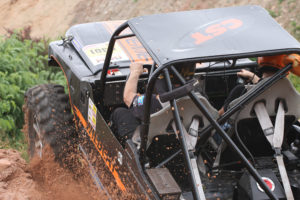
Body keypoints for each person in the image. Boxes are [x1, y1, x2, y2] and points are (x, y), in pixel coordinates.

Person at [111, 62, 196, 144]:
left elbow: (128, 98)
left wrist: (135, 72)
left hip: (154, 145)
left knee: (119, 112)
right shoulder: (198, 95)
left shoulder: (158, 101)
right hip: (187, 140)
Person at [218, 54, 300, 116]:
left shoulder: (240, 90)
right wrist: (253, 77)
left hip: (240, 138)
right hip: (280, 137)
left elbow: (220, 117)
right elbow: (268, 88)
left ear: (260, 61)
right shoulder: (291, 96)